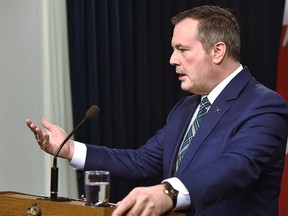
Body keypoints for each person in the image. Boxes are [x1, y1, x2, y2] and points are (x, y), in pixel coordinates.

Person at [26, 5, 288, 216]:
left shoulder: (264, 106)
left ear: (218, 51)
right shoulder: (186, 108)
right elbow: (141, 162)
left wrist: (168, 193)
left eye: (182, 50)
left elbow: (235, 166)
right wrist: (71, 150)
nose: (172, 60)